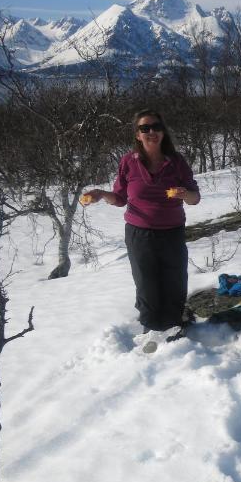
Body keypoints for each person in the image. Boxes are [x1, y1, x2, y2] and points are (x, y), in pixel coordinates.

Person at [84, 109, 200, 333]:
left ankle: (176, 327)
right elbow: (120, 199)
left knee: (175, 282)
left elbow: (194, 198)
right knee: (147, 286)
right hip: (139, 234)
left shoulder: (176, 161)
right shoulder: (129, 162)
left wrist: (184, 193)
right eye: (144, 128)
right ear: (137, 135)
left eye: (156, 127)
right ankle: (151, 331)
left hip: (172, 232)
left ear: (163, 131)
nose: (151, 132)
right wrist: (101, 194)